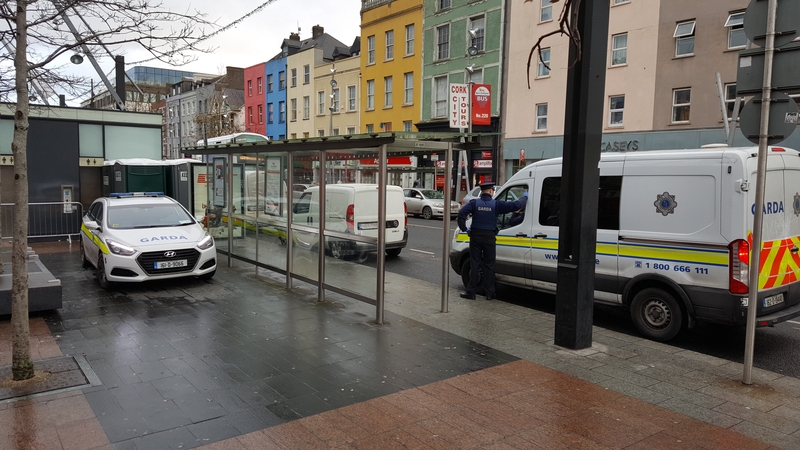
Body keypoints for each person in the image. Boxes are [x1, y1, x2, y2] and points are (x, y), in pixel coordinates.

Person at [457, 182, 528, 300]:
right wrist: (525, 197)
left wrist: (465, 228)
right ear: (491, 191)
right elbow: (516, 205)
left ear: (482, 192)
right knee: (490, 265)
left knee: (475, 263)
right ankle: (490, 293)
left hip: (475, 236)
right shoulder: (496, 204)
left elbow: (461, 214)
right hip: (489, 237)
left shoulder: (474, 204)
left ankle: (471, 292)